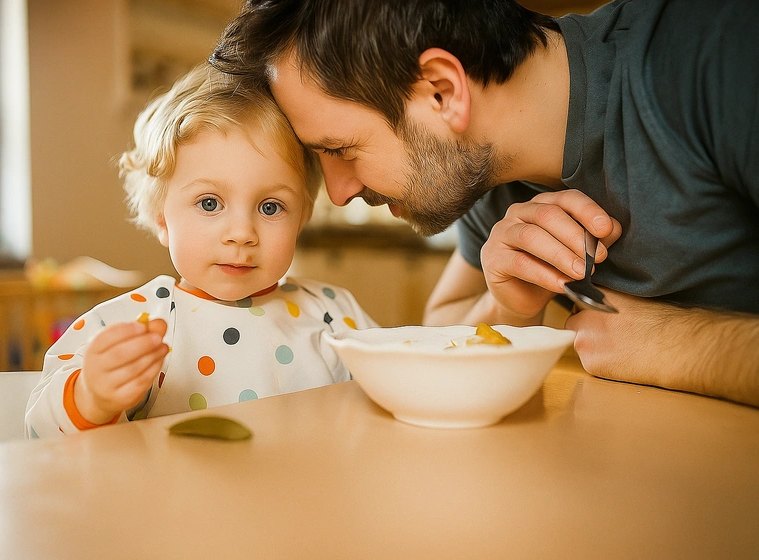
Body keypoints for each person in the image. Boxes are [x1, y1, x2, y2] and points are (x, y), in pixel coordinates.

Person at [210, 0, 759, 406]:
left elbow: (656, 348)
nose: (337, 191)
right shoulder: (486, 172)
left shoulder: (715, 51)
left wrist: (679, 346)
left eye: (340, 149)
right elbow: (445, 319)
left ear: (443, 92)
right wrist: (511, 308)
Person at [25, 63, 377, 438]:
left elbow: (389, 395)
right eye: (210, 203)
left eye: (270, 207)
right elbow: (39, 427)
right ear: (161, 217)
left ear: (302, 217)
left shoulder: (333, 314)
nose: (242, 234)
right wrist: (91, 397)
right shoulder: (133, 324)